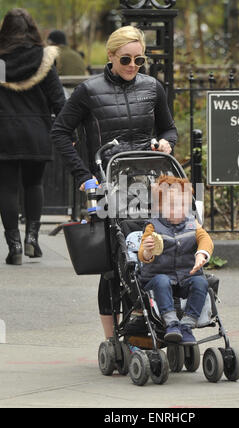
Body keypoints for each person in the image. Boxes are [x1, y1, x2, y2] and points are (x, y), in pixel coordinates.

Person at [51, 25, 178, 339]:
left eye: (139, 60)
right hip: (109, 185)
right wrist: (84, 176)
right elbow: (60, 132)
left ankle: (149, 320)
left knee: (152, 251)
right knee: (115, 262)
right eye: (126, 59)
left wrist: (166, 144)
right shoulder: (89, 91)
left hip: (150, 182)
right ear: (110, 56)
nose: (133, 66)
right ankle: (112, 340)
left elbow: (169, 129)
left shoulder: (152, 88)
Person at [0, 8, 66, 265]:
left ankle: (13, 244)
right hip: (36, 132)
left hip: (4, 131)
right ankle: (32, 240)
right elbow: (59, 100)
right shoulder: (44, 59)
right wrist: (68, 131)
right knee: (33, 184)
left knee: (6, 188)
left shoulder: (1, 62)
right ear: (31, 29)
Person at [138, 175, 214, 345]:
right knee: (162, 281)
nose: (177, 210)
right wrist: (148, 251)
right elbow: (142, 253)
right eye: (171, 206)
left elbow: (205, 239)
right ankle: (171, 322)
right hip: (157, 278)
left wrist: (201, 254)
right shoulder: (153, 226)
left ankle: (187, 324)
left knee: (201, 282)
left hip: (185, 277)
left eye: (182, 205)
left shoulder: (192, 223)